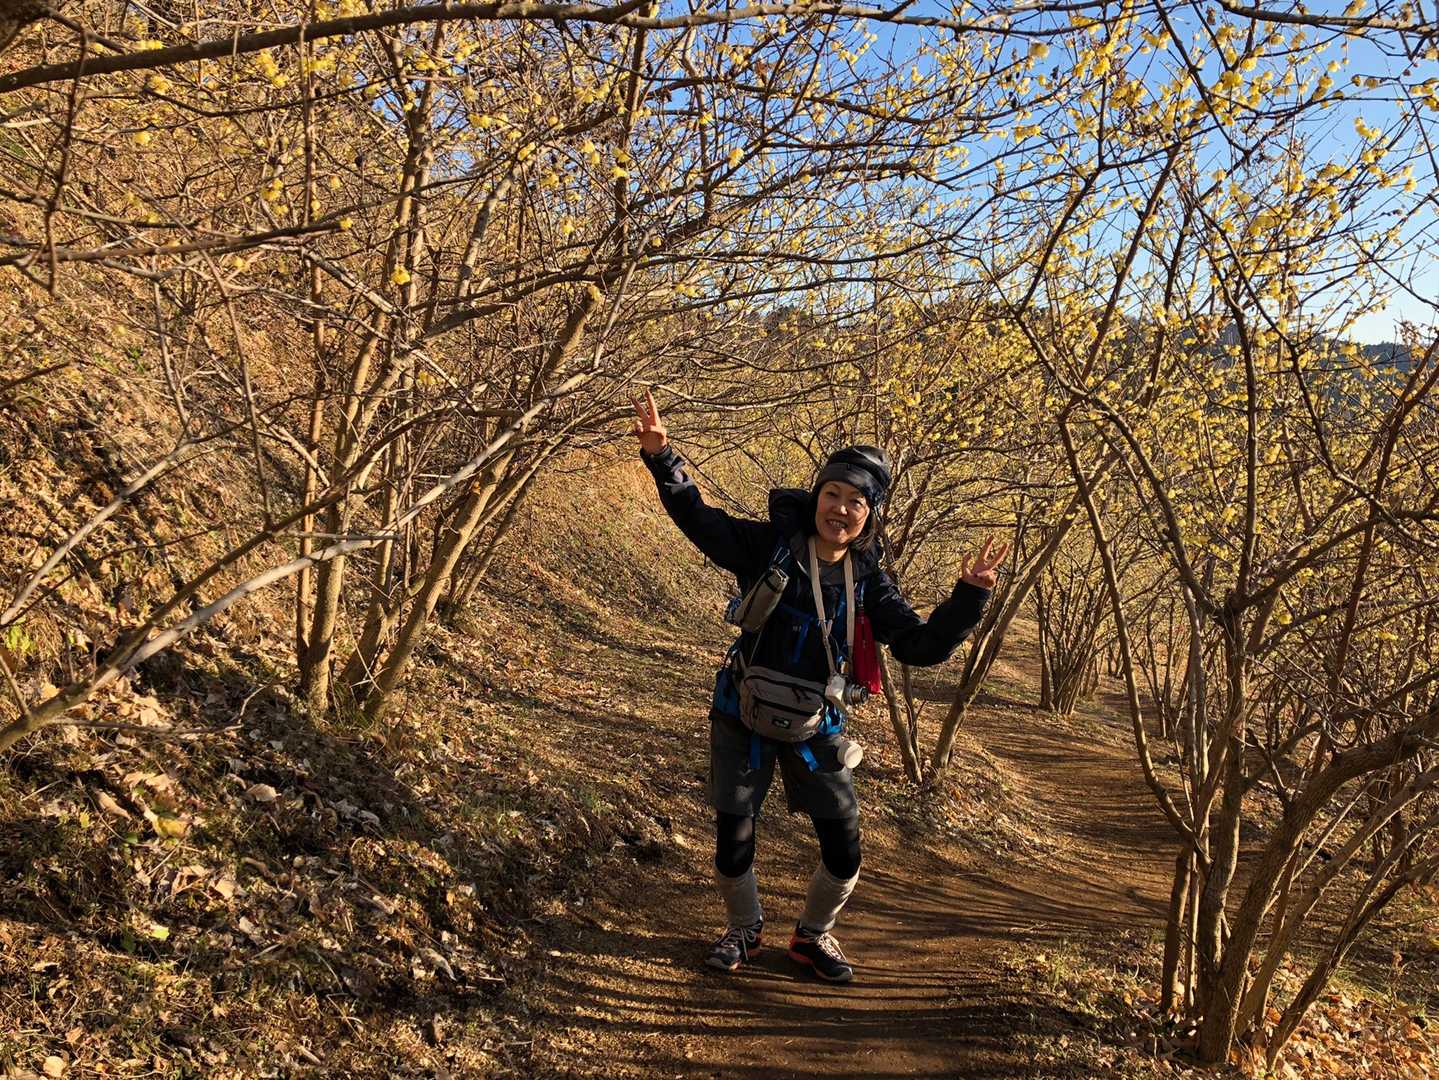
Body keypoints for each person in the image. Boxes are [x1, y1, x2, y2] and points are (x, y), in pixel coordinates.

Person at [631, 389, 1006, 983]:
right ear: (816, 497)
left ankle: (811, 936)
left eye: (857, 501)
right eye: (833, 493)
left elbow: (920, 647)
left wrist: (970, 596)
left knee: (843, 845)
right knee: (733, 836)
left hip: (817, 725)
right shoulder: (769, 548)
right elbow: (700, 521)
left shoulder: (870, 582)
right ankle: (744, 927)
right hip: (742, 711)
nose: (841, 508)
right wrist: (663, 457)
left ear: (869, 516)